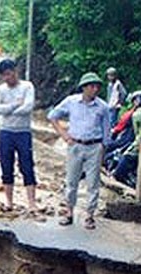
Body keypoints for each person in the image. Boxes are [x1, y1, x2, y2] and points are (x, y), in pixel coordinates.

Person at [47, 71, 110, 229]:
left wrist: (103, 148)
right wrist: (64, 135)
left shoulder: (103, 107)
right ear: (84, 88)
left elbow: (107, 131)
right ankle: (69, 212)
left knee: (93, 182)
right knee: (71, 180)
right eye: (91, 86)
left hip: (94, 146)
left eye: (97, 86)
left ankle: (89, 215)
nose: (95, 89)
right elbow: (53, 116)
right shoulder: (71, 102)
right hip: (75, 145)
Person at [0, 58, 38, 214]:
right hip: (6, 131)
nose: (7, 78)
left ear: (15, 71)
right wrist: (14, 105)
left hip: (23, 132)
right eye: (4, 75)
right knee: (6, 165)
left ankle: (31, 203)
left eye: (9, 74)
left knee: (27, 165)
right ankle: (9, 201)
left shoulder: (27, 86)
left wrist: (9, 109)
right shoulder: (0, 90)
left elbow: (28, 107)